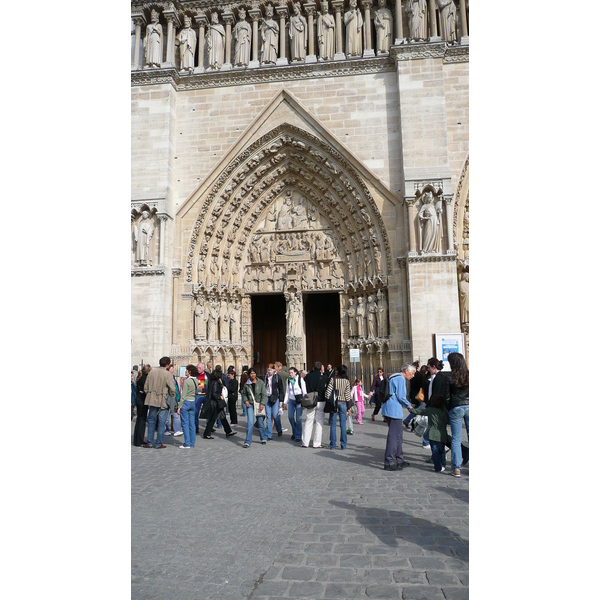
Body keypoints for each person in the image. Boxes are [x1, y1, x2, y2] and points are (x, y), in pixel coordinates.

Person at [381, 363, 416, 470]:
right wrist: (409, 406)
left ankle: (400, 459)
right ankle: (389, 461)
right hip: (394, 410)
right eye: (412, 373)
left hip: (388, 408)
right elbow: (401, 396)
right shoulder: (400, 378)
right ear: (406, 371)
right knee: (394, 436)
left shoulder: (394, 376)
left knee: (398, 436)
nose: (413, 375)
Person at [408, 393, 451, 472]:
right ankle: (443, 465)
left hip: (431, 434)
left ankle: (437, 467)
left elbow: (420, 411)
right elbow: (448, 421)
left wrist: (411, 409)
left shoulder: (430, 410)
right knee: (442, 450)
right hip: (442, 434)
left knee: (435, 451)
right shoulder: (444, 411)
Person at [445, 352, 469, 477]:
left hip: (456, 407)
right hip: (470, 406)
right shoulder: (469, 375)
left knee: (456, 438)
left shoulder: (450, 377)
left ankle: (456, 468)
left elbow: (447, 397)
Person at [143, 357, 176, 449]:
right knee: (161, 423)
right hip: (163, 400)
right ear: (167, 365)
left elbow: (146, 387)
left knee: (151, 421)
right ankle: (158, 443)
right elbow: (172, 389)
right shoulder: (167, 374)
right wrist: (171, 395)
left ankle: (149, 442)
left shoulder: (152, 372)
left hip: (152, 399)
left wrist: (150, 393)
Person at [202, 366, 236, 439]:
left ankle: (228, 431)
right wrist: (219, 396)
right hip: (215, 403)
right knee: (212, 418)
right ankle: (206, 434)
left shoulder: (216, 382)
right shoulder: (215, 383)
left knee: (222, 417)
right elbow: (214, 393)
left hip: (216, 402)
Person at [324, 365, 352, 450]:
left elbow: (328, 393)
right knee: (343, 425)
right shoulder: (346, 381)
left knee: (333, 425)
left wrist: (328, 400)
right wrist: (349, 408)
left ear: (338, 371)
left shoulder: (333, 380)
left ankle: (333, 444)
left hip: (335, 403)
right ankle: (343, 445)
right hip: (343, 403)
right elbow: (348, 396)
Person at [302, 361, 327, 448]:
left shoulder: (308, 376)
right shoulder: (323, 377)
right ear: (321, 368)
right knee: (319, 422)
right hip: (321, 400)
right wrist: (323, 372)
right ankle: (317, 443)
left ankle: (305, 442)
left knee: (308, 421)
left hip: (311, 399)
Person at [242, 367, 268, 447]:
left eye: (254, 373)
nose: (253, 375)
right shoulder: (247, 384)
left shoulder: (261, 383)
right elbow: (244, 394)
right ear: (249, 374)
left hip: (259, 404)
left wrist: (262, 404)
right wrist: (245, 401)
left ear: (256, 374)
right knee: (250, 422)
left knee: (260, 422)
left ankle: (263, 437)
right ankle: (247, 441)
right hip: (250, 404)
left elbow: (264, 394)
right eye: (251, 373)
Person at [177, 364, 198, 448]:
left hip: (186, 402)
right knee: (192, 424)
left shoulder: (187, 381)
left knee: (185, 423)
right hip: (193, 402)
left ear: (189, 372)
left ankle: (187, 443)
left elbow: (183, 395)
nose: (185, 371)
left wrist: (179, 406)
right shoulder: (197, 380)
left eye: (186, 370)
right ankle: (192, 442)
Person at [283, 366, 306, 442]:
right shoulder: (288, 380)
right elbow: (287, 391)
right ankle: (295, 431)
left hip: (299, 401)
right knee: (290, 417)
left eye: (291, 373)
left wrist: (304, 403)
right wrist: (285, 402)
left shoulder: (300, 380)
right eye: (289, 373)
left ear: (295, 372)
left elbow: (304, 391)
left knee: (298, 419)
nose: (290, 374)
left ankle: (298, 436)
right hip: (291, 400)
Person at [264, 364, 284, 439]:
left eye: (271, 370)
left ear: (274, 370)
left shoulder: (277, 377)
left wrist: (281, 401)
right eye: (268, 370)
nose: (269, 371)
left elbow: (281, 389)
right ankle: (269, 434)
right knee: (268, 416)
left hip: (275, 397)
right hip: (267, 397)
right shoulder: (266, 377)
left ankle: (279, 428)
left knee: (275, 415)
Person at [133, 365, 151, 446]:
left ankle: (137, 440)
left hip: (139, 399)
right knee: (142, 420)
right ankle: (139, 440)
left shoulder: (140, 377)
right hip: (142, 400)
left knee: (139, 420)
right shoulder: (145, 378)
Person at [166, 365, 183, 437]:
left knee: (175, 414)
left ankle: (177, 430)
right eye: (172, 368)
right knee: (167, 415)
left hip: (174, 399)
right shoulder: (167, 377)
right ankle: (166, 430)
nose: (173, 370)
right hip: (169, 398)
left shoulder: (173, 378)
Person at [194, 362, 209, 434]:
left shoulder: (207, 375)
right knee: (196, 412)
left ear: (203, 368)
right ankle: (196, 428)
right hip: (198, 395)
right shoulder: (195, 376)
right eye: (197, 368)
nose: (198, 369)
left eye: (199, 368)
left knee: (208, 412)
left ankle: (209, 427)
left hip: (205, 395)